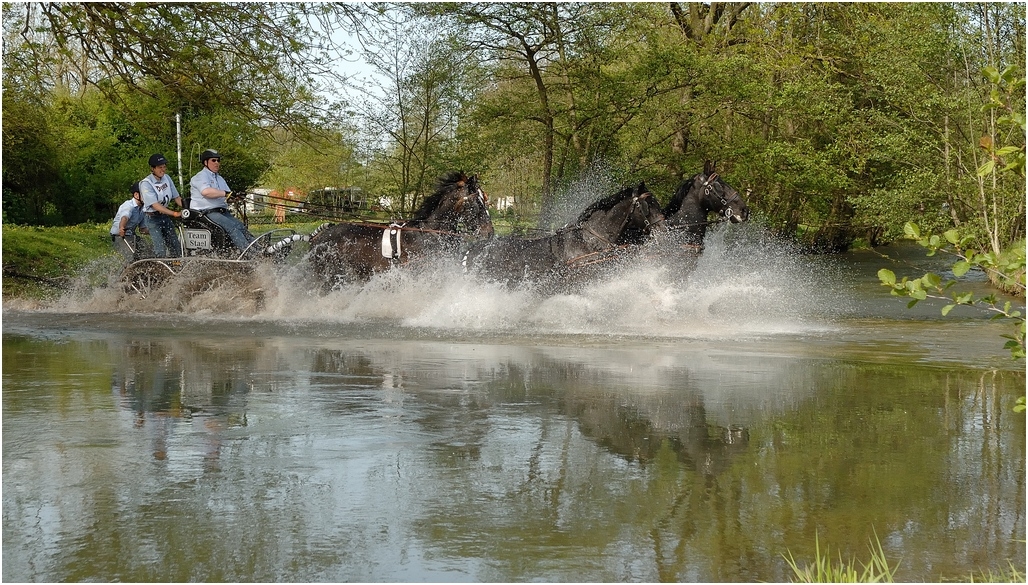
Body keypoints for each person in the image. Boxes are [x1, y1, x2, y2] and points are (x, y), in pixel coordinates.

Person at [189, 149, 256, 254]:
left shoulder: (220, 178)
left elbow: (227, 196)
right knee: (232, 227)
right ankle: (249, 253)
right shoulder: (200, 177)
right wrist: (226, 193)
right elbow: (206, 192)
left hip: (221, 211)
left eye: (218, 160)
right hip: (206, 212)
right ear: (205, 162)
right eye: (213, 160)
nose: (217, 163)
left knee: (240, 226)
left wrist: (236, 197)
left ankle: (260, 249)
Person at [140, 153, 183, 258]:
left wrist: (189, 208)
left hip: (164, 216)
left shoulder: (166, 178)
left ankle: (176, 265)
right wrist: (175, 213)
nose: (163, 170)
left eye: (164, 167)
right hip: (152, 218)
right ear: (152, 168)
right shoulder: (146, 183)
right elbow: (156, 205)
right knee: (160, 249)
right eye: (160, 167)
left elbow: (177, 197)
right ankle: (158, 266)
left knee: (175, 247)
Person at [110, 182, 149, 263]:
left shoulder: (143, 209)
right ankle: (127, 269)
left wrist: (155, 231)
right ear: (136, 195)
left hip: (131, 235)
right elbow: (125, 217)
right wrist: (121, 227)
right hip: (120, 236)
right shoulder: (128, 205)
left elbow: (142, 229)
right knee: (131, 258)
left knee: (147, 251)